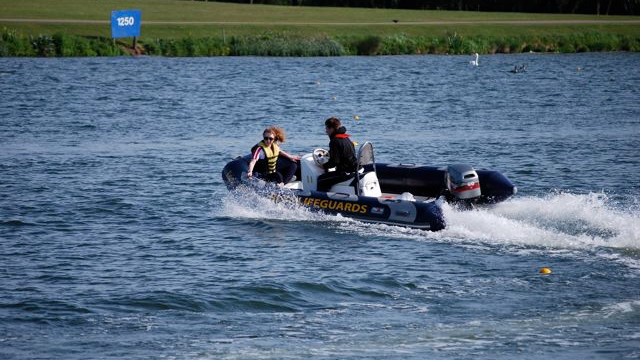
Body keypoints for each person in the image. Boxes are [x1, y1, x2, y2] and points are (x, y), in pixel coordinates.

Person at [317, 117, 358, 192]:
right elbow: (342, 152)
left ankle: (322, 201)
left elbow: (334, 162)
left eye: (327, 128)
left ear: (332, 129)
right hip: (354, 169)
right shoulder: (346, 138)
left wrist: (323, 166)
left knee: (321, 180)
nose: (326, 131)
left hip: (345, 172)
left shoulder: (335, 141)